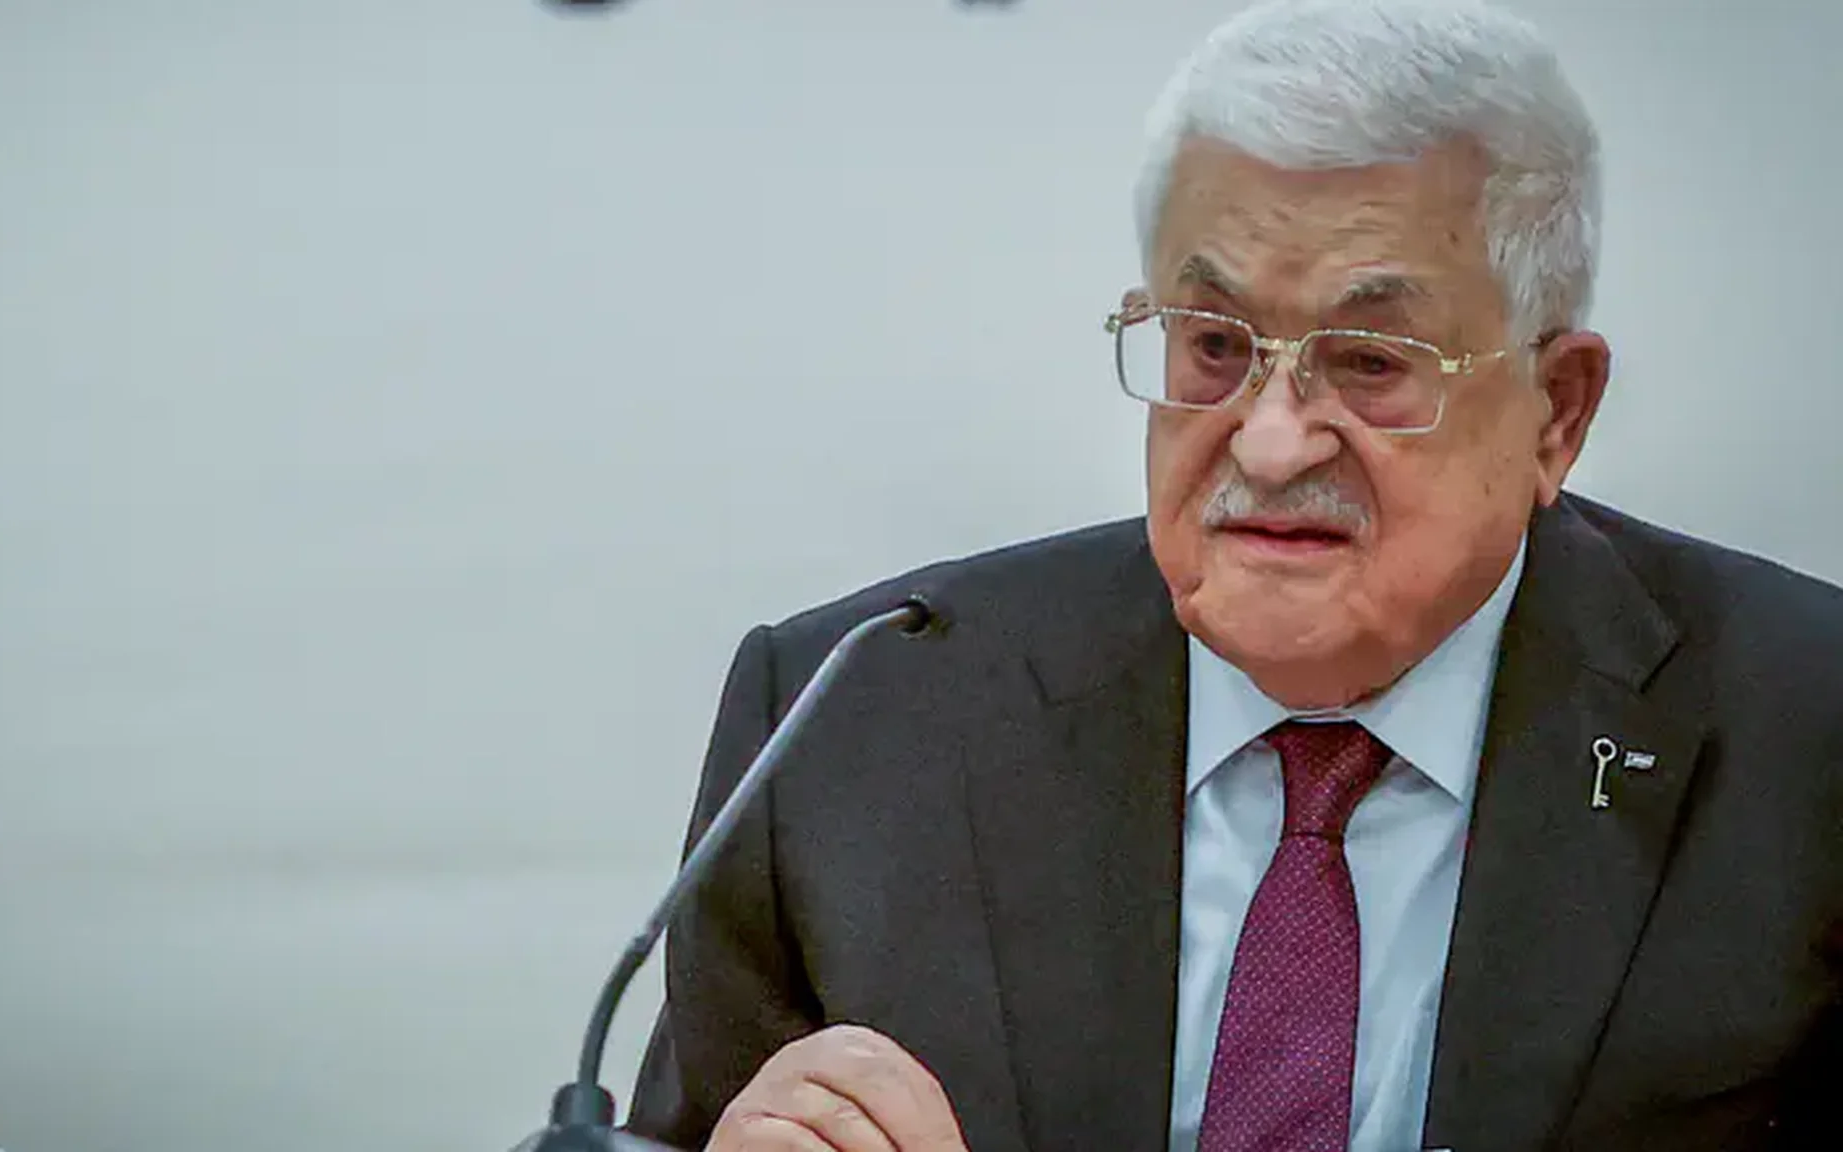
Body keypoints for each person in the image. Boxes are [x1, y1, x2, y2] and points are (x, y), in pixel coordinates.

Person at [623, 0, 1842, 1148]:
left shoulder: (1804, 735)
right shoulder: (856, 711)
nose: (1268, 442)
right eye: (1213, 346)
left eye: (1369, 362)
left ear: (1555, 411)